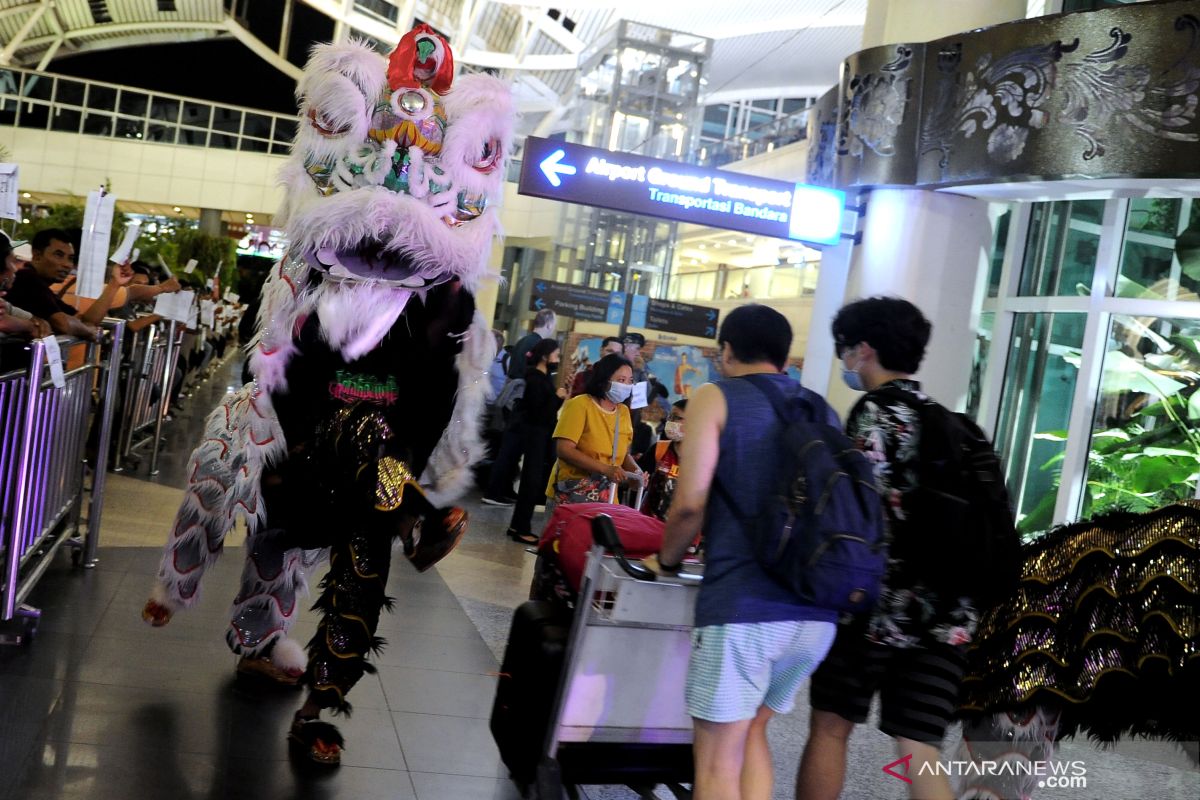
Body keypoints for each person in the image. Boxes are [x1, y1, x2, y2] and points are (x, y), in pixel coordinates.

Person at [647, 304, 838, 800]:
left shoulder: (715, 397)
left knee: (714, 764)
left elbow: (689, 504)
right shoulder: (820, 407)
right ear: (783, 354)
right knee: (753, 731)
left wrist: (667, 561)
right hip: (816, 611)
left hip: (744, 608)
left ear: (726, 350)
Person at [797, 297, 972, 800]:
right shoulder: (950, 423)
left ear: (864, 350)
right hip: (946, 613)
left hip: (871, 607)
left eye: (845, 351)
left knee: (830, 728)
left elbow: (849, 515)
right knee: (919, 746)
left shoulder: (872, 415)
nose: (845, 362)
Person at [546, 352, 645, 505]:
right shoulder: (580, 405)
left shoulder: (623, 412)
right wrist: (604, 469)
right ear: (604, 380)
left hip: (607, 496)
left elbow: (622, 453)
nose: (626, 386)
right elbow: (564, 450)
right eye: (621, 380)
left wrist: (636, 472)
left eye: (630, 381)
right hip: (572, 493)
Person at [5, 228, 130, 340]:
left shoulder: (41, 286)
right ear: (37, 255)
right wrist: (88, 332)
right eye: (59, 255)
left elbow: (85, 321)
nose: (67, 264)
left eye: (70, 258)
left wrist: (115, 283)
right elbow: (63, 324)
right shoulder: (26, 278)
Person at [506, 338, 566, 544]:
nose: (557, 359)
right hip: (535, 434)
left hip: (538, 433)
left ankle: (517, 524)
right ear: (545, 356)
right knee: (531, 481)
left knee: (531, 481)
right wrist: (558, 398)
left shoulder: (542, 377)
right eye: (556, 355)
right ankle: (522, 528)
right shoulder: (536, 379)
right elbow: (540, 411)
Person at [640, 399, 686, 521]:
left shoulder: (704, 458)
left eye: (676, 417)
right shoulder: (659, 449)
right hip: (650, 524)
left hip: (684, 531)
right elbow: (637, 482)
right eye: (669, 416)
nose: (669, 421)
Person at [507, 308, 556, 379]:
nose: (554, 329)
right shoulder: (540, 346)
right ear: (549, 325)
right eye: (554, 325)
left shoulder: (521, 341)